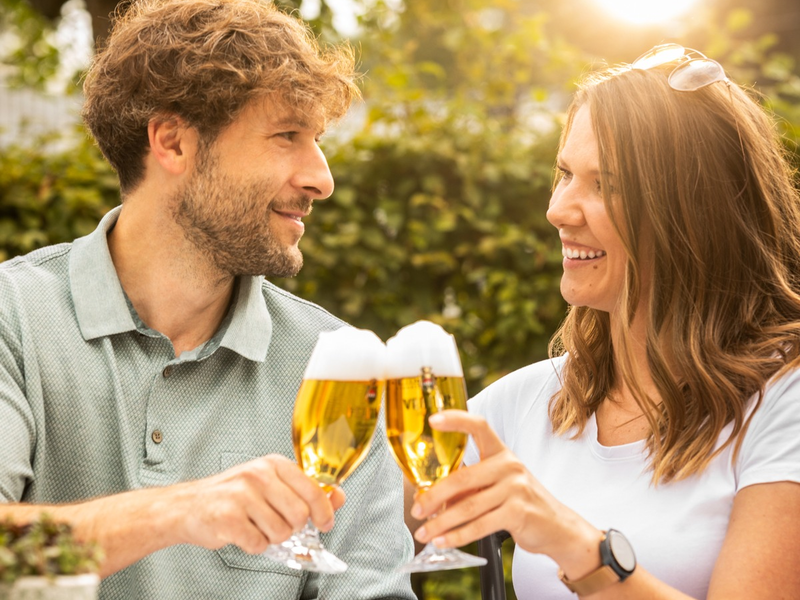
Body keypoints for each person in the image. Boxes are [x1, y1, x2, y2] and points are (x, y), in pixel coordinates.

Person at [0, 0, 415, 598]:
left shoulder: (333, 366)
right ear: (172, 142)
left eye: (317, 139)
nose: (322, 178)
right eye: (287, 136)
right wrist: (178, 512)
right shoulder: (15, 317)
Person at [409, 45, 800, 599]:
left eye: (607, 184)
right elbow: (353, 518)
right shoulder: (534, 401)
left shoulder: (784, 400)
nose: (558, 210)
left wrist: (578, 547)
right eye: (565, 173)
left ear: (693, 213)